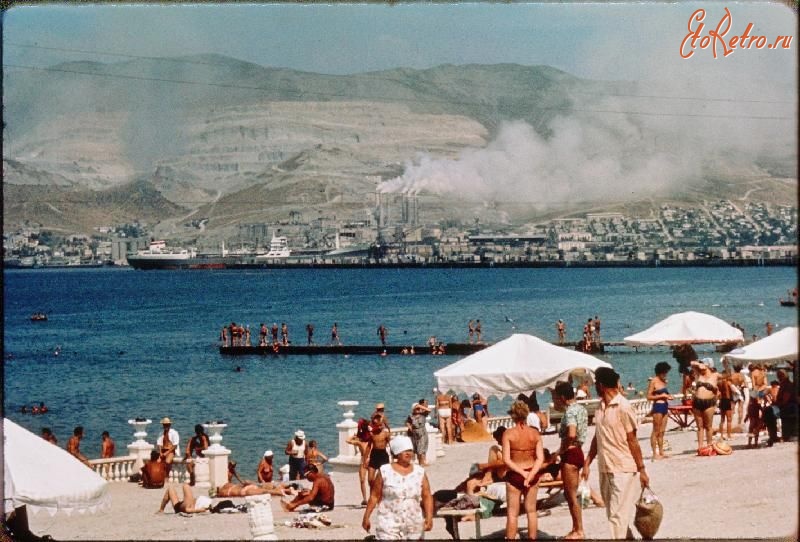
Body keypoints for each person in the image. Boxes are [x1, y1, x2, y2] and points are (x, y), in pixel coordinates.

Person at [582, 367, 649, 540]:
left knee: (616, 516)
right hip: (605, 467)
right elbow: (598, 437)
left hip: (623, 468)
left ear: (601, 385)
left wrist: (641, 469)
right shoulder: (600, 407)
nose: (594, 387)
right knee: (613, 513)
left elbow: (632, 440)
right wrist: (588, 462)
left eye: (596, 384)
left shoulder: (624, 407)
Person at [362, 435, 433, 539]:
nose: (408, 453)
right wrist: (366, 517)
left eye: (410, 450)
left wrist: (429, 518)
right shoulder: (385, 471)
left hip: (413, 523)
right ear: (397, 453)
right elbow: (374, 496)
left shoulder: (419, 472)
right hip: (388, 523)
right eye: (404, 451)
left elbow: (427, 496)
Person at [502, 400, 544, 540]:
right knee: (531, 511)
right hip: (532, 471)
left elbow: (506, 459)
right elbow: (540, 458)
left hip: (515, 473)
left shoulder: (508, 434)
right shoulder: (535, 433)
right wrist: (530, 474)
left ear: (513, 416)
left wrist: (522, 473)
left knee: (512, 514)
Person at [552, 381, 589, 540]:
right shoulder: (581, 409)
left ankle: (578, 529)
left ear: (562, 397)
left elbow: (572, 433)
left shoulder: (570, 412)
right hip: (578, 451)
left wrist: (560, 450)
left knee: (571, 495)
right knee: (572, 495)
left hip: (570, 453)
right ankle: (576, 528)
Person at [690, 359, 719, 453]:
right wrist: (699, 364)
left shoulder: (715, 375)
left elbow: (728, 375)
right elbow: (691, 363)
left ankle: (709, 445)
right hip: (697, 402)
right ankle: (700, 447)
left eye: (703, 364)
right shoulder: (698, 374)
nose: (701, 366)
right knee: (699, 426)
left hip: (709, 402)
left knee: (708, 426)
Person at [646, 362, 673, 459]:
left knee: (662, 431)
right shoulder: (653, 381)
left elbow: (665, 394)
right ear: (660, 371)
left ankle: (661, 452)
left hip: (665, 406)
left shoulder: (663, 381)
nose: (666, 374)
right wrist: (662, 396)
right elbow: (648, 396)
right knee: (656, 431)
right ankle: (654, 453)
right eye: (665, 372)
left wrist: (668, 396)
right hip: (658, 406)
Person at [347, 418, 373, 505]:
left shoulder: (370, 441)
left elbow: (348, 440)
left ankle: (371, 497)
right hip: (364, 461)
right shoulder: (360, 443)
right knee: (362, 480)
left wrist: (354, 436)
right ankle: (365, 499)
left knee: (370, 481)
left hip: (370, 461)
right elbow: (348, 440)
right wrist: (354, 436)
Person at [365, 414, 391, 484]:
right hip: (374, 454)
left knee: (382, 478)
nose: (379, 427)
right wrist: (365, 459)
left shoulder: (386, 434)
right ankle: (372, 490)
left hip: (383, 455)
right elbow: (368, 446)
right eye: (378, 425)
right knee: (370, 479)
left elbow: (391, 445)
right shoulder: (372, 434)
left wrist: (394, 456)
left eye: (381, 425)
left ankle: (379, 489)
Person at [775, 368, 798, 442]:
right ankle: (775, 435)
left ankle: (786, 435)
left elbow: (785, 400)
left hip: (788, 406)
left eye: (779, 376)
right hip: (785, 406)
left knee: (770, 412)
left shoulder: (788, 385)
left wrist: (777, 405)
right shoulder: (784, 384)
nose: (778, 378)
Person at [406, 401, 430, 466]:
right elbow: (407, 422)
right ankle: (420, 462)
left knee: (422, 448)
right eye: (416, 408)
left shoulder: (423, 414)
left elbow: (429, 410)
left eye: (418, 408)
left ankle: (422, 462)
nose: (418, 409)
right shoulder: (411, 416)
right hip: (415, 434)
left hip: (423, 433)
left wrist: (420, 406)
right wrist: (410, 427)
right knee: (417, 449)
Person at [717, 373, 734, 440]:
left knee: (722, 419)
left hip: (722, 400)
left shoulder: (719, 383)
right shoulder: (726, 383)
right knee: (729, 419)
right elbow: (728, 392)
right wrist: (731, 401)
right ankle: (729, 435)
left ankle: (721, 435)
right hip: (727, 400)